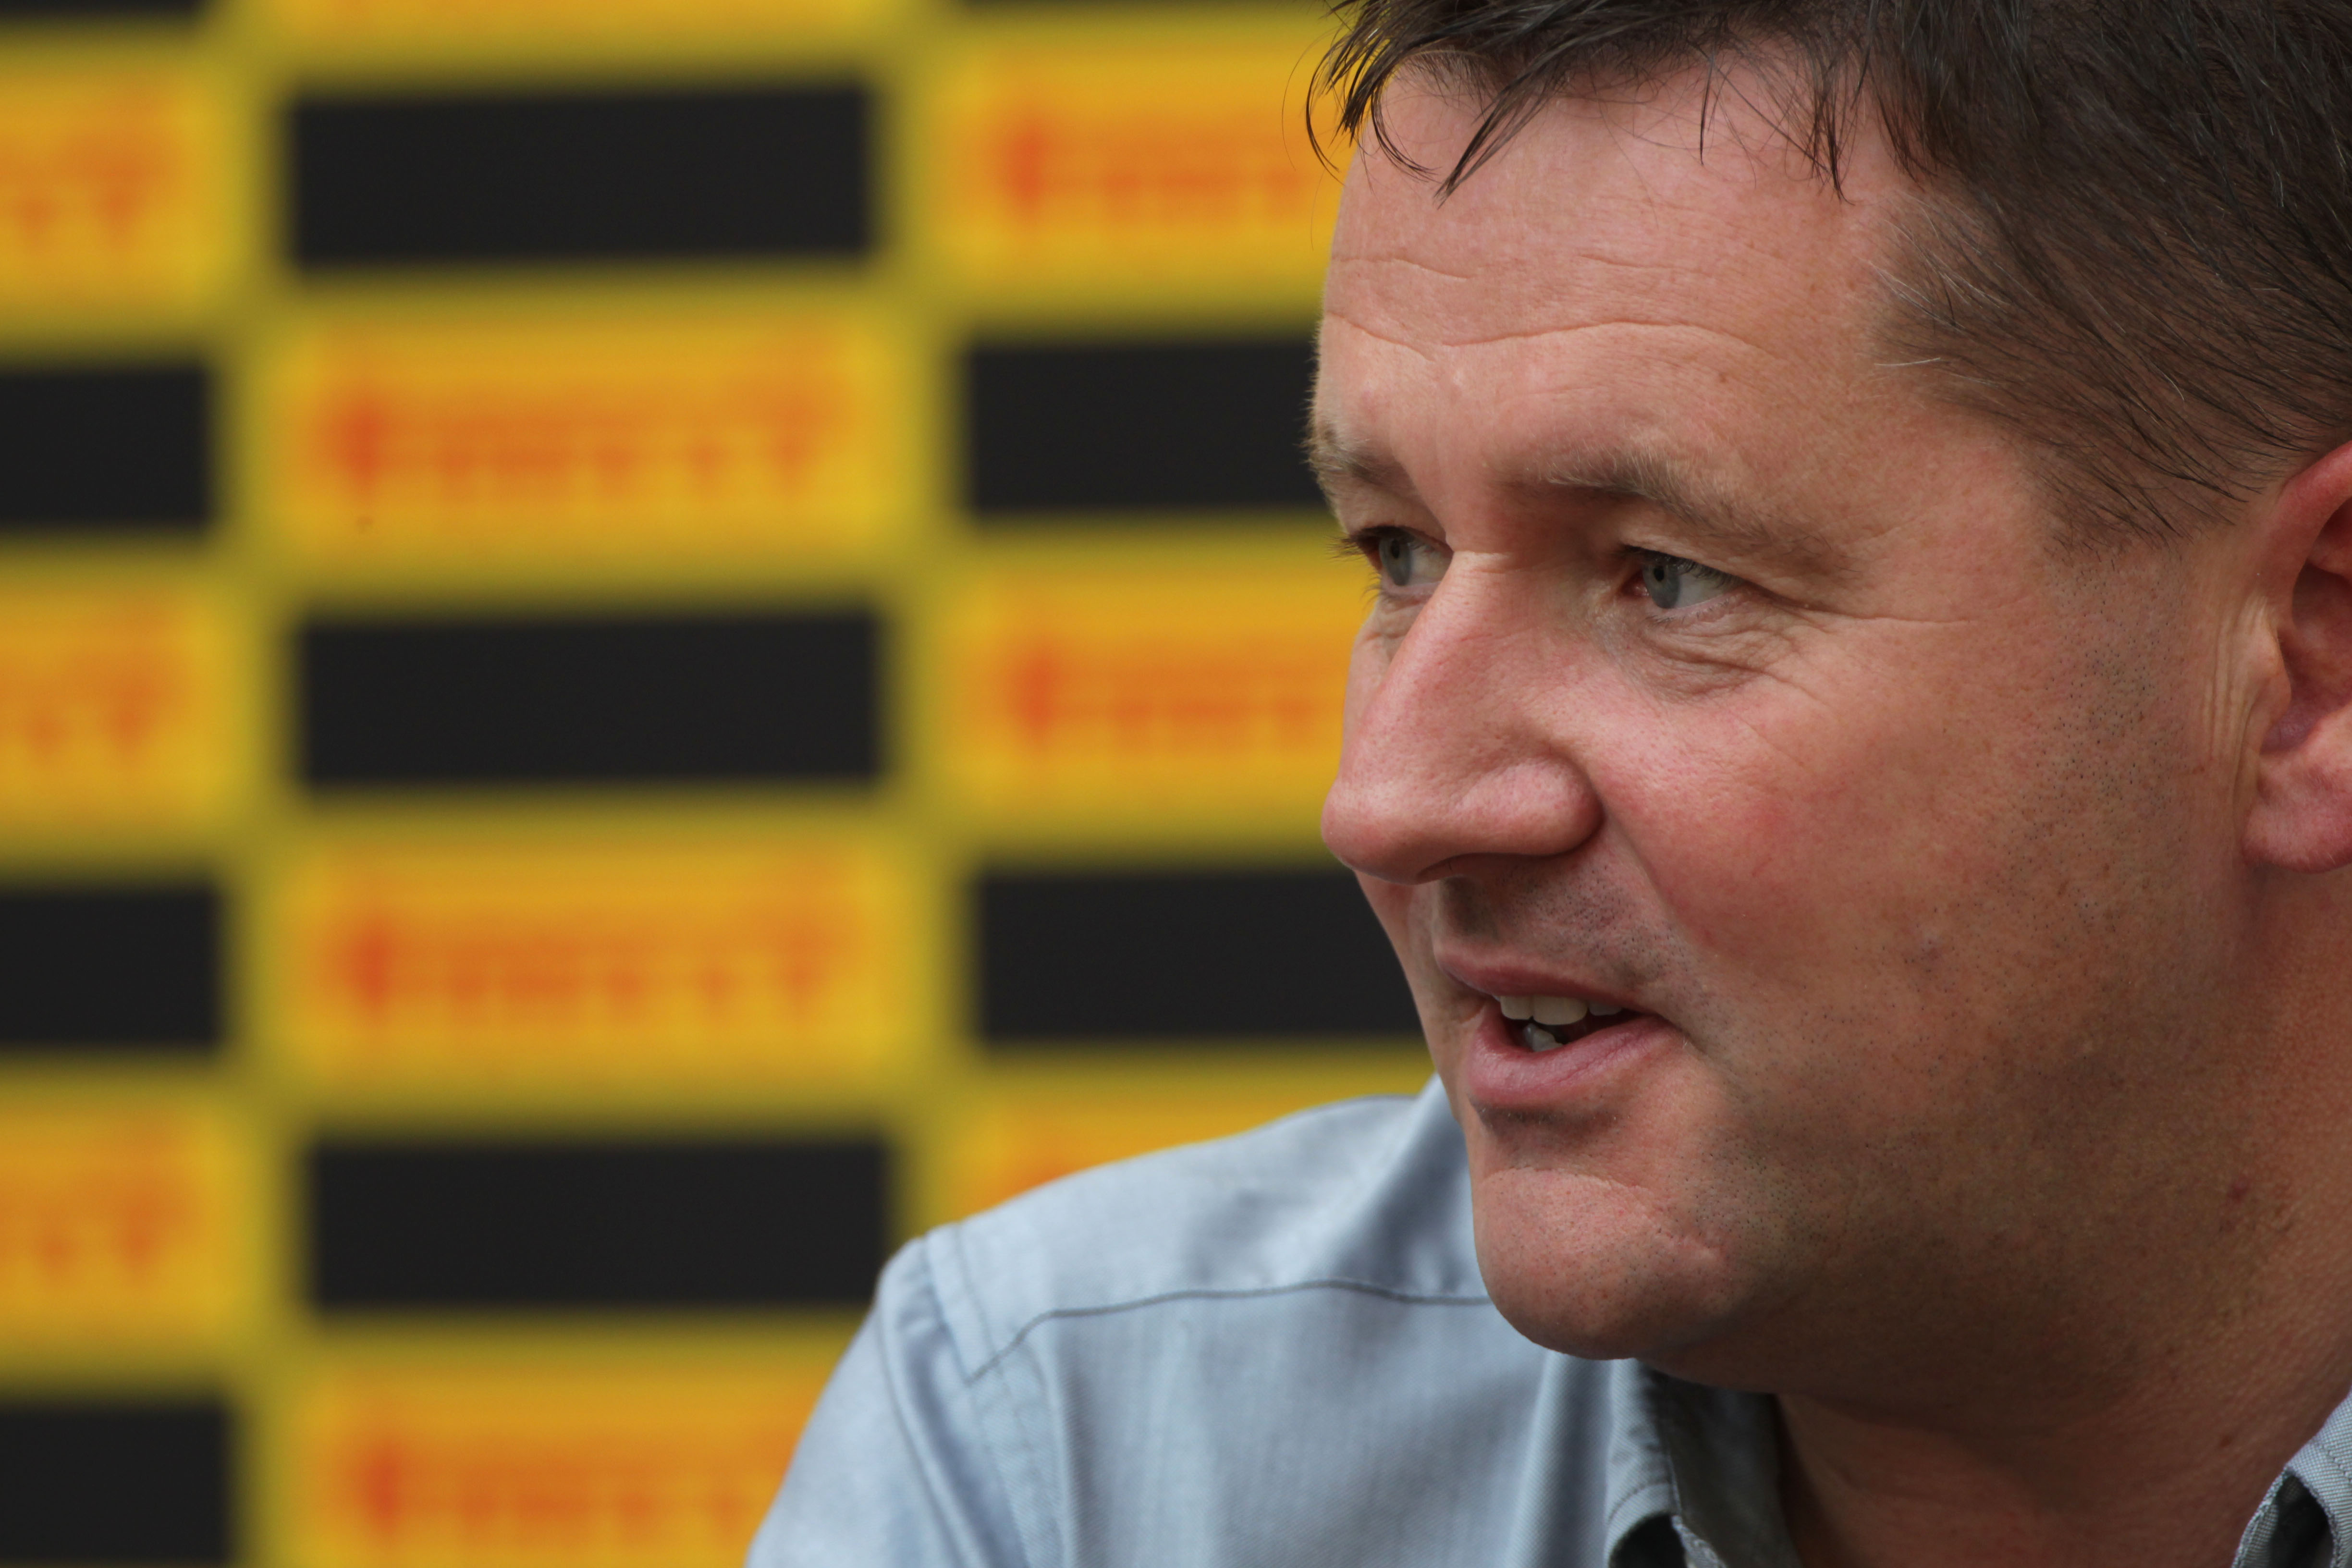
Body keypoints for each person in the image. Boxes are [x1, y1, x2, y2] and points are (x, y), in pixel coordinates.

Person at [752, 2, 2352, 1563]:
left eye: (1669, 579)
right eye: (1399, 554)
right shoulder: (1068, 1461)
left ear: (2310, 664)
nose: (1387, 803)